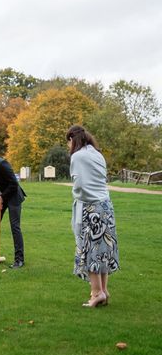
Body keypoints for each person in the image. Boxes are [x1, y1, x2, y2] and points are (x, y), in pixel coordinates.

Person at [67, 125, 119, 308]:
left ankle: (96, 292)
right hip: (106, 206)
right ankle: (103, 290)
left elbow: (79, 183)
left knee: (89, 250)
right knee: (103, 250)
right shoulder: (98, 154)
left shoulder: (78, 156)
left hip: (90, 209)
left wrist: (76, 194)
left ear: (73, 139)